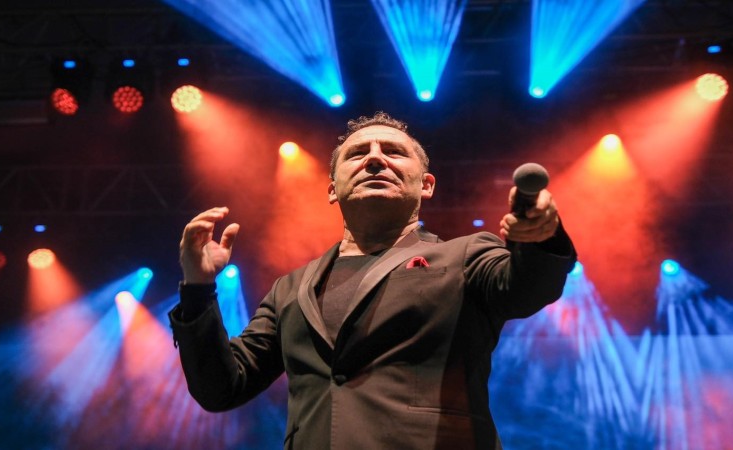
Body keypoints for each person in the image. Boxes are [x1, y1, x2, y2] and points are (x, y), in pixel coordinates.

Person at [169, 112, 577, 449]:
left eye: (393, 152)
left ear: (426, 185)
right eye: (358, 153)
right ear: (333, 189)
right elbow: (221, 388)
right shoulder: (290, 289)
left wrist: (540, 237)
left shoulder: (465, 255)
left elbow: (527, 288)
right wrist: (198, 288)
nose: (375, 160)